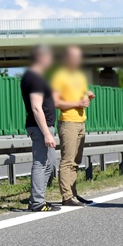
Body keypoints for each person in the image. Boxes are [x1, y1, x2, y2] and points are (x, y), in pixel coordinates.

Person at [51, 45, 95, 207]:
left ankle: (73, 194)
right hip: (68, 122)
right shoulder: (60, 77)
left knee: (76, 162)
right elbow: (55, 102)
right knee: (67, 161)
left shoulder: (79, 76)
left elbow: (83, 94)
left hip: (81, 121)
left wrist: (88, 95)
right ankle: (66, 196)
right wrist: (77, 102)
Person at [20, 45, 59, 212]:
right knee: (41, 163)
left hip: (44, 127)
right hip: (40, 128)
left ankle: (37, 199)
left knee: (50, 164)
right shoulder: (35, 77)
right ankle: (37, 203)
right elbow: (36, 107)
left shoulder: (37, 77)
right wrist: (46, 133)